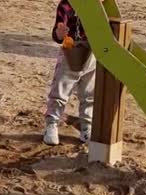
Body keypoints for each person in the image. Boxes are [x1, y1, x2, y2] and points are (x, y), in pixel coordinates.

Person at [43, 0, 99, 146]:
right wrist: (59, 33)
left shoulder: (100, 6)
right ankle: (52, 124)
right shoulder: (66, 5)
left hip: (92, 53)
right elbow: (58, 31)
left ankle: (87, 126)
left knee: (89, 93)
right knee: (60, 90)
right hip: (71, 53)